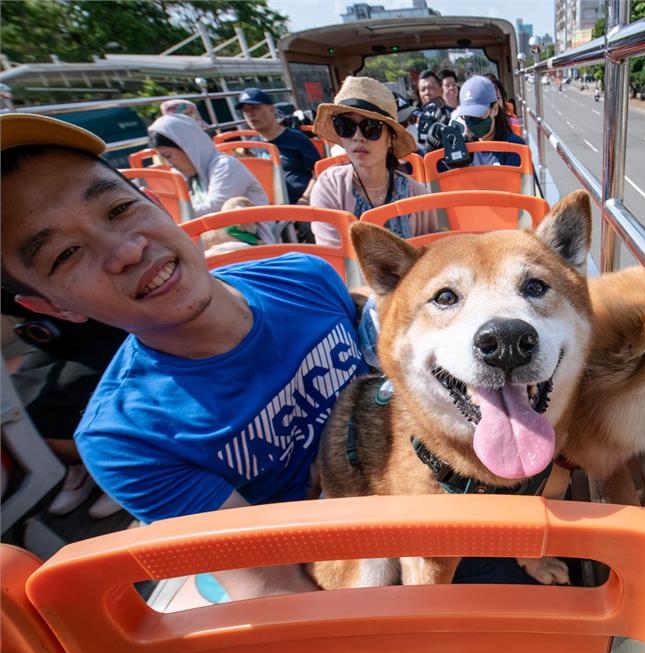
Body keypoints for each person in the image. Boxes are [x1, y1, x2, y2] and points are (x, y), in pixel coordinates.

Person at [1, 113, 369, 599]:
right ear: (50, 307)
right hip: (350, 572)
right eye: (66, 255)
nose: (126, 250)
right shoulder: (129, 437)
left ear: (155, 202)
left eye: (117, 210)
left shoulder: (304, 276)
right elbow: (274, 586)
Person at [4, 291, 126, 518]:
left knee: (64, 393)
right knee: (18, 398)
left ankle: (120, 464)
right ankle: (81, 464)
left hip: (105, 322)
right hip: (53, 329)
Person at [310, 77, 438, 242]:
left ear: (390, 138)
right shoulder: (329, 187)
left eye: (371, 128)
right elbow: (333, 259)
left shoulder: (417, 194)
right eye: (346, 125)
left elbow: (426, 258)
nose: (358, 137)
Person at [147, 113, 275, 241]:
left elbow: (213, 211)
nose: (170, 164)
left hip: (252, 243)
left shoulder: (225, 166)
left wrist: (169, 213)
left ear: (188, 148)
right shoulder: (193, 177)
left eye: (168, 156)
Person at [236, 87, 321, 206]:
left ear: (271, 110)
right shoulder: (252, 146)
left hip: (301, 204)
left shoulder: (297, 139)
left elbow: (318, 172)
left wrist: (305, 199)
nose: (250, 114)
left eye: (255, 108)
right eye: (245, 111)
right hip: (269, 206)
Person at [451, 75, 527, 167]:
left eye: (478, 113)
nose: (472, 121)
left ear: (494, 109)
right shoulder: (463, 149)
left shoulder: (514, 147)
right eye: (467, 116)